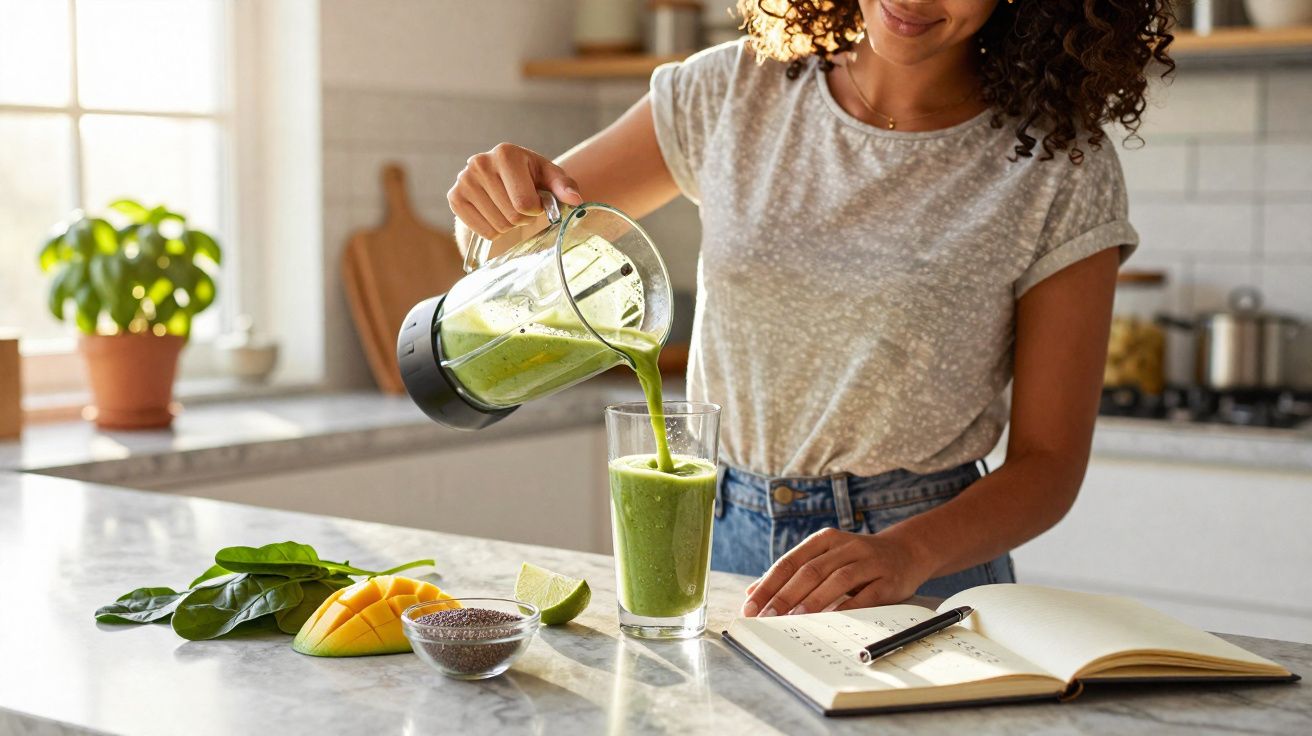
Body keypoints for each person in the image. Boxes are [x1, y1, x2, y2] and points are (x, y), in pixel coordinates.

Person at [446, 0, 1174, 618]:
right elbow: (518, 240)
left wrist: (906, 552)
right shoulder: (733, 89)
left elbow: (1049, 466)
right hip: (712, 537)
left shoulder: (1059, 165)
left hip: (919, 565)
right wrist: (494, 198)